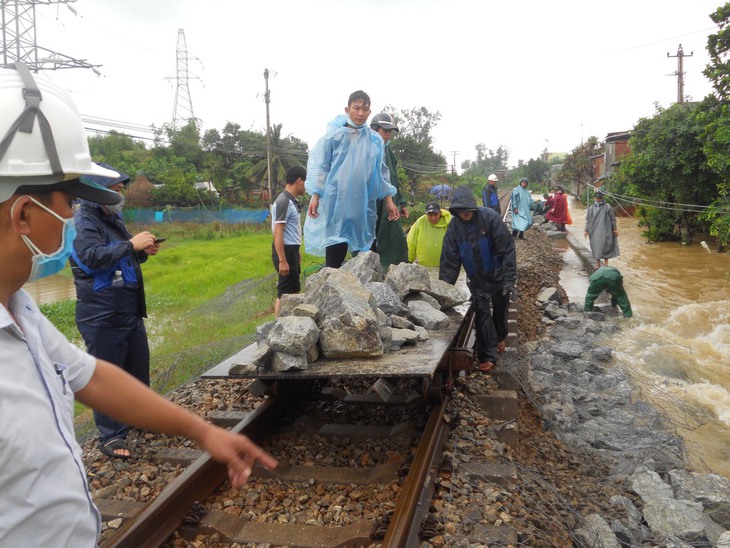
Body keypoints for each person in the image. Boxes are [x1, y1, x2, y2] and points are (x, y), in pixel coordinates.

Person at [0, 63, 276, 546]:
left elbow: (90, 375)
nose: (69, 217)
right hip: (103, 308)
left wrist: (203, 431)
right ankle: (112, 437)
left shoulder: (19, 311)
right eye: (66, 204)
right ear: (24, 214)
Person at [70, 164, 160, 459]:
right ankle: (111, 436)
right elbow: (91, 258)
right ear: (97, 190)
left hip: (128, 310)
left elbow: (121, 255)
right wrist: (130, 244)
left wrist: (140, 251)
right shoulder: (83, 219)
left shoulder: (110, 216)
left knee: (136, 371)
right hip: (102, 315)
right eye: (116, 190)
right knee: (109, 378)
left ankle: (139, 419)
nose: (121, 196)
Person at [304, 90, 399, 269]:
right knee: (334, 254)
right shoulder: (333, 137)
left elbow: (381, 173)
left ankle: (370, 292)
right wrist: (316, 195)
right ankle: (331, 291)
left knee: (367, 252)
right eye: (357, 108)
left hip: (363, 207)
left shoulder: (375, 141)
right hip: (336, 204)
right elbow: (322, 168)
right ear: (347, 109)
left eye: (365, 109)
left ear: (370, 112)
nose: (361, 113)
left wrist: (389, 200)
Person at [440, 186, 517, 373]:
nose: (465, 213)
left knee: (500, 309)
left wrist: (509, 279)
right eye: (460, 210)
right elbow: (450, 261)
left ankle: (500, 336)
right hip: (476, 280)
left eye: (467, 209)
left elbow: (507, 249)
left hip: (497, 275)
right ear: (455, 211)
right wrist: (443, 291)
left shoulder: (490, 218)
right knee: (482, 316)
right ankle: (488, 355)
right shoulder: (454, 229)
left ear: (473, 207)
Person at [370, 112, 408, 269]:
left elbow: (393, 180)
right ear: (374, 129)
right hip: (372, 202)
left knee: (395, 238)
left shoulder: (389, 152)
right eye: (384, 130)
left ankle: (394, 272)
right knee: (368, 239)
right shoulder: (367, 148)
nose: (388, 134)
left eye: (390, 131)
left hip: (391, 203)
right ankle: (370, 270)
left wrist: (402, 202)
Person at [271, 165, 307, 315]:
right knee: (284, 293)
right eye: (305, 181)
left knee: (293, 289)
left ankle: (288, 324)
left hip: (291, 250)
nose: (306, 186)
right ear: (299, 181)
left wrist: (296, 251)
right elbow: (278, 231)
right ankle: (278, 327)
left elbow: (289, 230)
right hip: (284, 251)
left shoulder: (290, 201)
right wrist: (282, 260)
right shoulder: (284, 201)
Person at [406, 201, 452, 267]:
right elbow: (411, 241)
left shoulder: (449, 222)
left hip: (446, 267)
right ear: (425, 214)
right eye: (430, 215)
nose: (433, 218)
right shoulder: (420, 222)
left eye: (435, 214)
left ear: (440, 213)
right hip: (424, 267)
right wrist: (409, 260)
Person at [584, 189, 619, 269]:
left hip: (606, 229)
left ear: (602, 198)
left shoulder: (607, 207)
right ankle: (598, 263)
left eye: (600, 198)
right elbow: (588, 220)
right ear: (594, 198)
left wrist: (615, 229)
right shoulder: (591, 208)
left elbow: (613, 219)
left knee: (606, 245)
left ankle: (606, 264)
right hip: (594, 230)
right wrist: (586, 230)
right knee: (596, 246)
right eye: (597, 198)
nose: (598, 199)